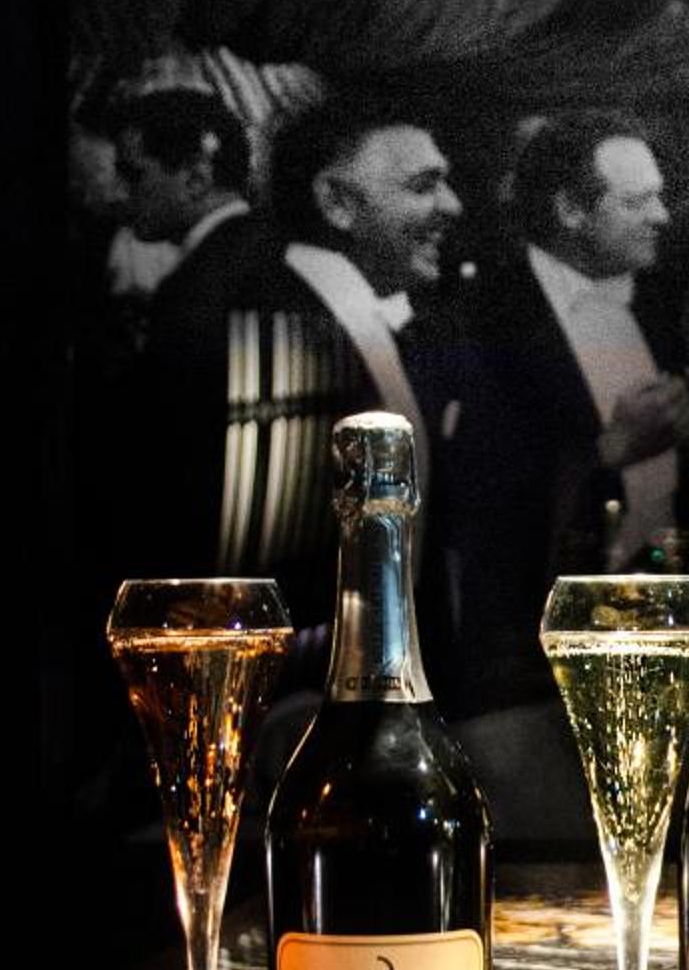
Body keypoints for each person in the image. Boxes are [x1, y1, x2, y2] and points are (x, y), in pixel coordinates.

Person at [143, 97, 464, 631]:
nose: (452, 205)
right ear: (337, 203)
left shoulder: (366, 322)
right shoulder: (265, 333)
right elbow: (260, 570)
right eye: (423, 186)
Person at [435, 111, 689, 709]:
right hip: (542, 649)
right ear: (570, 210)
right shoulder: (482, 319)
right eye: (636, 202)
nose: (661, 216)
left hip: (662, 609)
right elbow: (476, 504)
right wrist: (611, 451)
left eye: (658, 196)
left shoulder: (655, 292)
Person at [103, 87, 253, 334]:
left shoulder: (198, 288)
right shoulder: (261, 255)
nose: (116, 194)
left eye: (133, 176)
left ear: (196, 180)